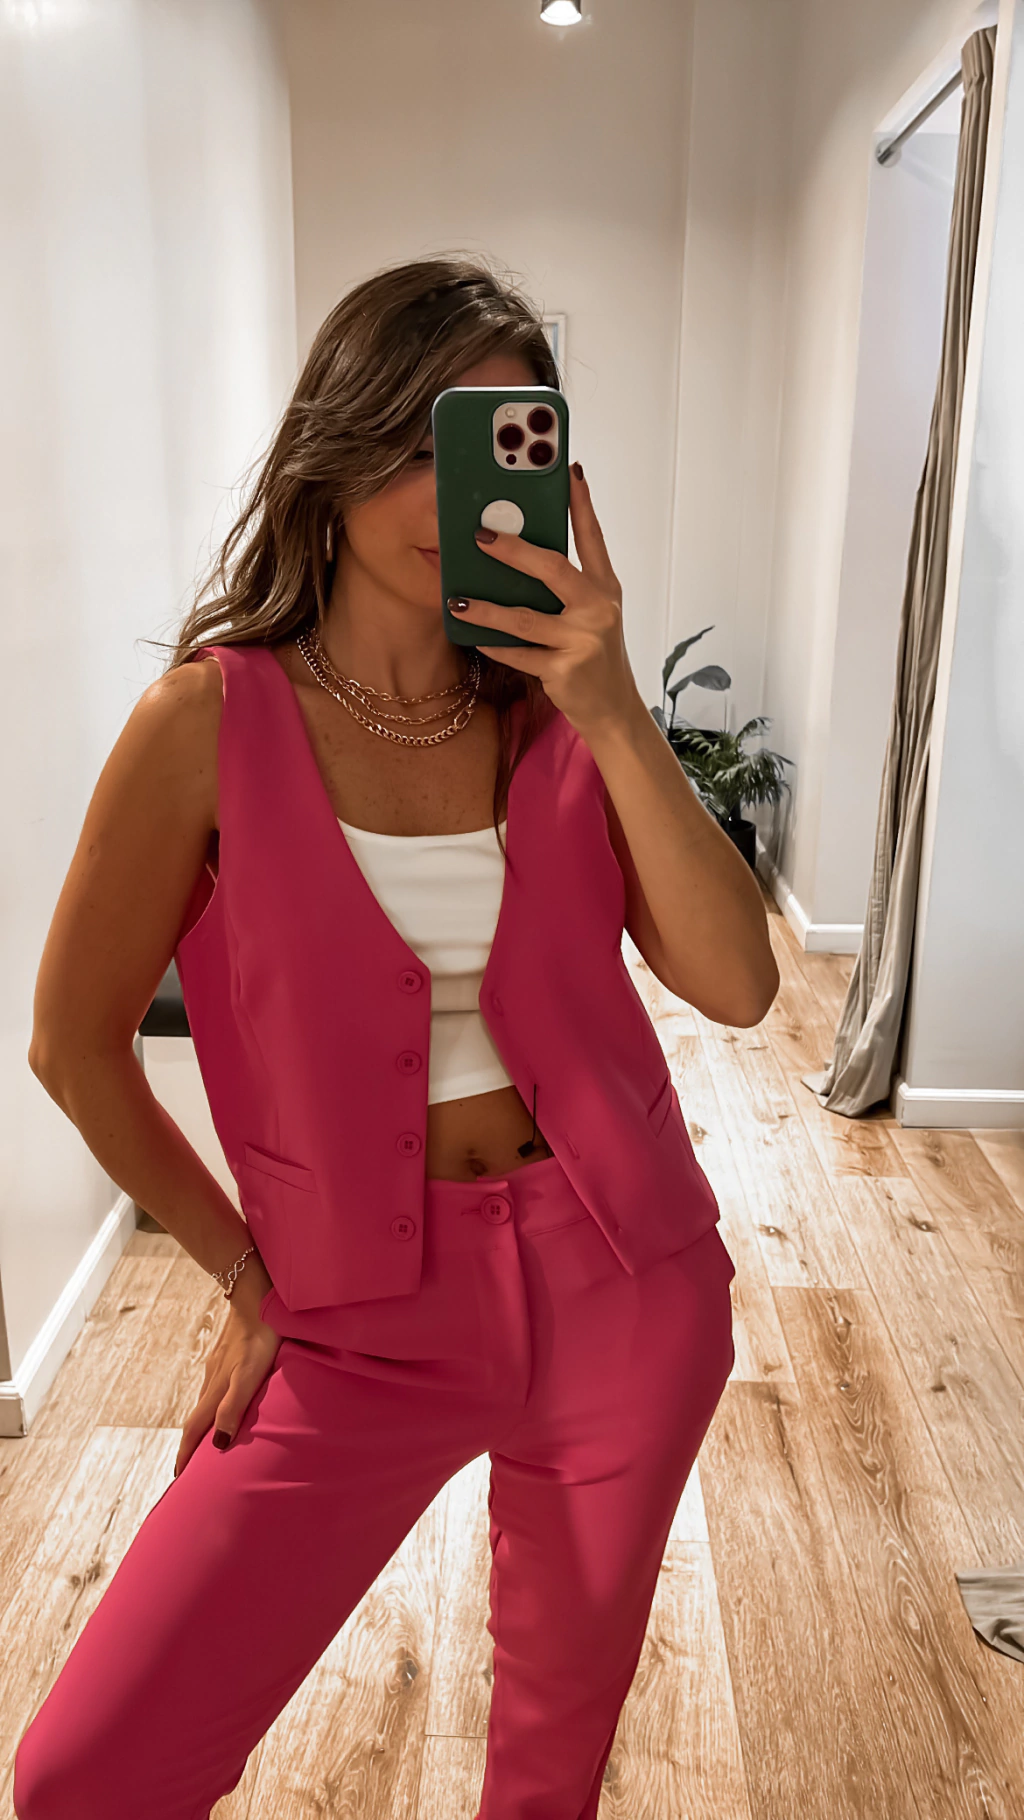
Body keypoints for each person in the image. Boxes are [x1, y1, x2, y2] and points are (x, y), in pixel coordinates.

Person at [13, 256, 778, 1820]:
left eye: (497, 438)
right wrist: (244, 1274)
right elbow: (74, 1047)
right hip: (356, 1315)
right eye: (420, 434)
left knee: (548, 1771)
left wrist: (614, 706)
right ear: (338, 444)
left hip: (627, 1284)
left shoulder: (562, 711)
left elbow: (741, 986)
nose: (455, 485)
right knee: (89, 1771)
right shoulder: (205, 724)